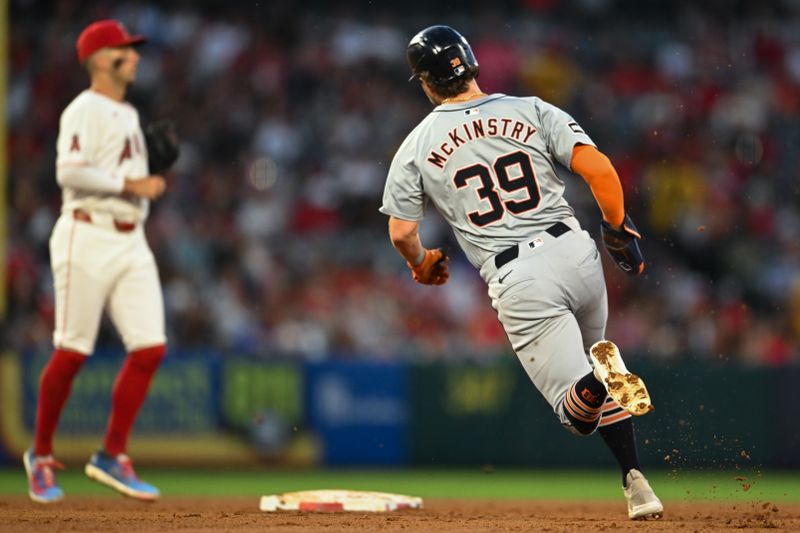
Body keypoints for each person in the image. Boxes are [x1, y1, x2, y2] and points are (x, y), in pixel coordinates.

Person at [381, 25, 663, 520]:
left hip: (519, 277)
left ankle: (599, 382)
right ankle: (636, 482)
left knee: (577, 414)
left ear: (425, 83)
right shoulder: (531, 108)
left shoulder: (417, 144)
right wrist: (617, 228)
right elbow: (598, 169)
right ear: (472, 64)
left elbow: (402, 233)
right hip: (576, 253)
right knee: (592, 369)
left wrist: (422, 264)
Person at [23, 20, 168, 503]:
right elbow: (68, 169)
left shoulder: (128, 113)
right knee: (72, 351)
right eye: (128, 50)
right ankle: (40, 456)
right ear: (103, 58)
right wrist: (131, 184)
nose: (137, 57)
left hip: (131, 237)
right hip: (85, 233)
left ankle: (111, 454)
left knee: (149, 348)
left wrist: (150, 179)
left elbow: (128, 175)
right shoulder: (82, 109)